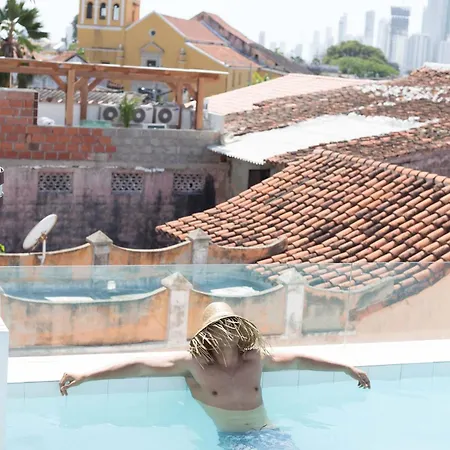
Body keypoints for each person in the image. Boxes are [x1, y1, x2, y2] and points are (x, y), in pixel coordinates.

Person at [60, 302, 370, 449]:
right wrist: (86, 375)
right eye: (219, 327)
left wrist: (346, 367)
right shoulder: (193, 364)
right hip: (234, 441)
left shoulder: (255, 358)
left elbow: (300, 360)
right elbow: (140, 366)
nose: (226, 331)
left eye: (231, 324)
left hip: (271, 434)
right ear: (208, 333)